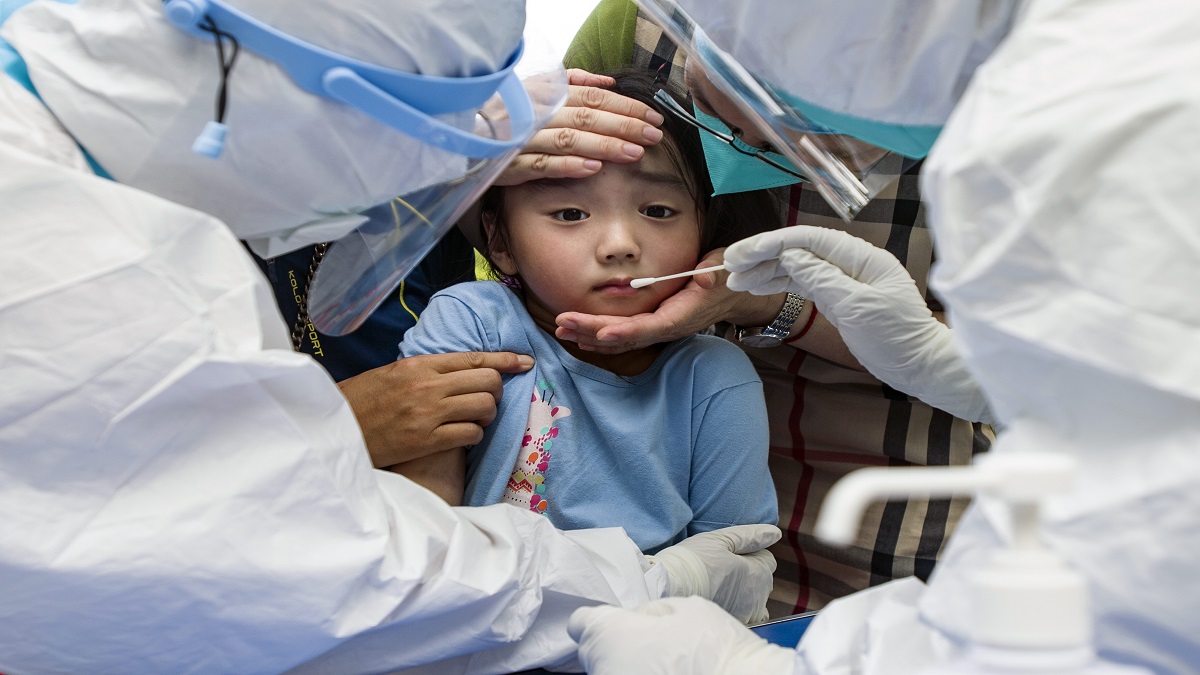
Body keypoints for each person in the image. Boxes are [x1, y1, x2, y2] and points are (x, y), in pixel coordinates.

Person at [0, 1, 783, 673]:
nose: (615, 244)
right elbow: (351, 575)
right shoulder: (78, 266)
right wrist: (650, 580)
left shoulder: (110, 159)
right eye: (414, 142)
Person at [568, 0, 1200, 673]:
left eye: (773, 116)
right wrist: (951, 366)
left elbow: (1120, 605)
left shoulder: (1119, 128)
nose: (734, 135)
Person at [559, 0, 992, 617]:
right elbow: (518, 236)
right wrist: (492, 160)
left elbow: (1045, 371)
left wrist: (780, 307)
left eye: (808, 133)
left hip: (896, 534)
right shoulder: (634, 31)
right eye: (710, 102)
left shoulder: (1016, 109)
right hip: (639, 542)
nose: (746, 146)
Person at [391, 71, 779, 567]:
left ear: (706, 229)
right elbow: (422, 534)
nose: (620, 245)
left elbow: (738, 562)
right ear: (500, 241)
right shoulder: (471, 324)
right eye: (570, 214)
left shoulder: (714, 378)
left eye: (658, 210)